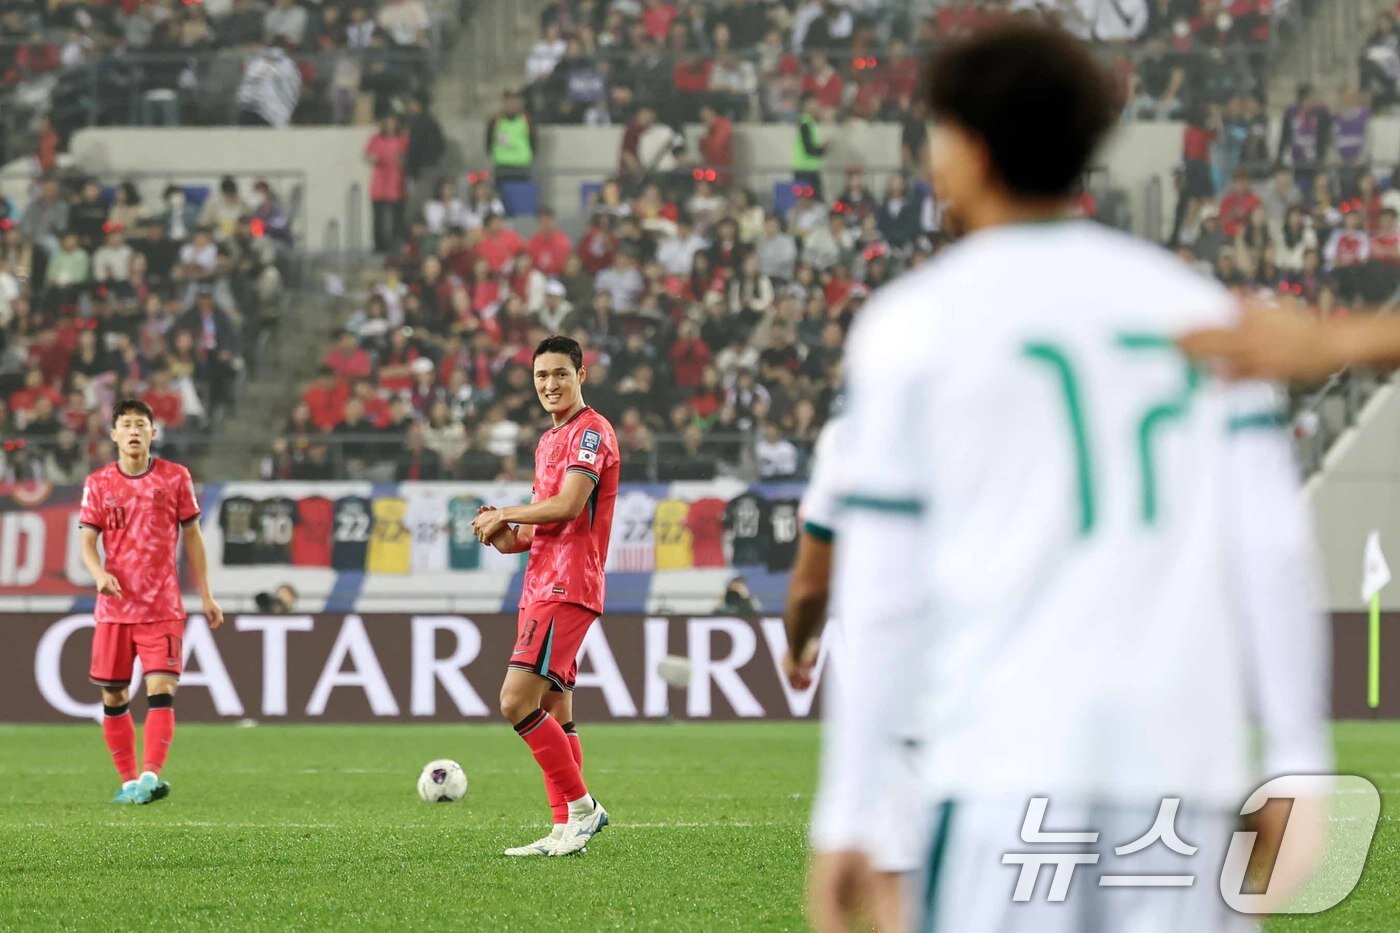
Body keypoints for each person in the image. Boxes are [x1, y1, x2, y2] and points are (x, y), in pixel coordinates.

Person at [815, 24, 1330, 931]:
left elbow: (883, 591)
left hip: (1001, 777)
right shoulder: (1197, 308)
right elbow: (1271, 546)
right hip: (1182, 775)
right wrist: (1297, 756)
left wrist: (850, 810)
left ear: (968, 147)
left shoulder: (912, 327)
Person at [471, 335, 619, 858]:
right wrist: (506, 535)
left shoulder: (591, 433)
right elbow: (542, 524)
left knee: (515, 701)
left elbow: (571, 505)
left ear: (582, 375)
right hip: (541, 581)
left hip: (568, 583)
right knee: (556, 707)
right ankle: (563, 828)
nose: (550, 385)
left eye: (560, 374)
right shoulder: (547, 441)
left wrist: (508, 511)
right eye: (541, 377)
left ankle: (584, 810)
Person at [78, 399, 223, 805]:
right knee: (114, 696)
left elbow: (192, 536)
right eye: (126, 424)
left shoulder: (175, 478)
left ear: (153, 433)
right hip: (115, 609)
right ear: (114, 434)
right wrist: (99, 574)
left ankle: (149, 775)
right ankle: (128, 783)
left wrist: (206, 594)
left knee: (161, 688)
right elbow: (87, 540)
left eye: (141, 424)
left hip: (162, 607)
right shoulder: (99, 482)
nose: (134, 431)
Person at [486, 91, 537, 182]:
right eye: (509, 103)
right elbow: (489, 141)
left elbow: (534, 141)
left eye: (514, 103)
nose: (512, 106)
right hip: (501, 166)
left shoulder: (526, 120)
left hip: (522, 166)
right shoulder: (495, 121)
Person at [792, 94, 827, 199]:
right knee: (812, 200)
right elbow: (809, 149)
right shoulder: (805, 124)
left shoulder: (809, 123)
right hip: (805, 170)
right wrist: (823, 149)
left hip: (807, 169)